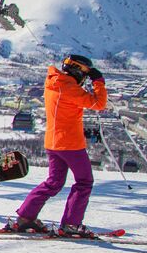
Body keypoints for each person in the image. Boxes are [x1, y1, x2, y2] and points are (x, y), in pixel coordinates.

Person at [10, 54, 108, 237]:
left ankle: (26, 217)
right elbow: (99, 103)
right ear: (77, 71)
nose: (85, 77)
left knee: (54, 182)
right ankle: (71, 224)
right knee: (84, 182)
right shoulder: (69, 88)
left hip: (53, 141)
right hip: (70, 143)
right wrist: (99, 81)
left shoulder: (54, 83)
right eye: (84, 73)